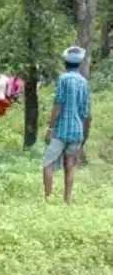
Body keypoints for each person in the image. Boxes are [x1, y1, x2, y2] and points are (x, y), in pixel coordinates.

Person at [43, 46, 90, 204]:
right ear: (79, 63)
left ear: (65, 63)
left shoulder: (63, 79)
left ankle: (48, 199)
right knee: (70, 165)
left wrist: (50, 128)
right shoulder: (84, 83)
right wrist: (83, 133)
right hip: (76, 130)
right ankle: (67, 201)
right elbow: (85, 112)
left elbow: (58, 105)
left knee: (48, 163)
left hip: (60, 130)